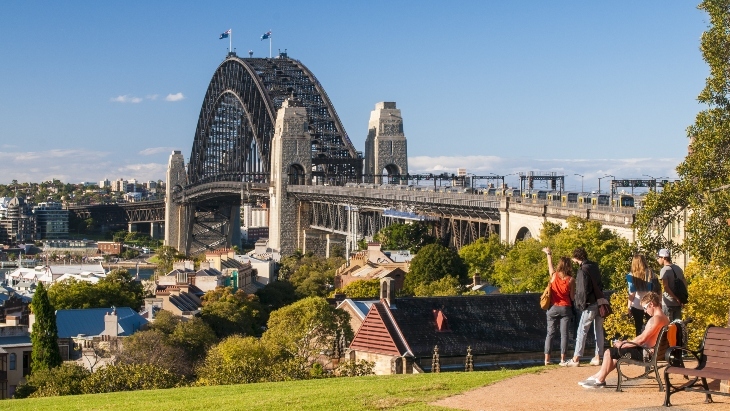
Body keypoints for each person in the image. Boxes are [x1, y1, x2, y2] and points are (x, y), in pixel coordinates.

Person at [579, 292, 669, 388]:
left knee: (609, 352)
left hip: (647, 353)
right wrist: (627, 343)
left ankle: (600, 380)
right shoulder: (665, 318)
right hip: (655, 352)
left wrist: (624, 344)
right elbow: (644, 338)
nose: (645, 311)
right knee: (615, 356)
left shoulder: (655, 319)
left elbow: (642, 339)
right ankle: (598, 376)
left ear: (651, 304)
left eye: (645, 308)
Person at [564, 247, 604, 367]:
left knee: (582, 330)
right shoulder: (594, 267)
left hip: (589, 304)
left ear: (577, 257)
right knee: (599, 330)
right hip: (599, 301)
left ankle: (576, 358)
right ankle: (598, 356)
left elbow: (582, 290)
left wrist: (580, 304)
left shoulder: (582, 270)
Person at [542, 247, 575, 366]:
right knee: (564, 334)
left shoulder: (554, 276)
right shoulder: (571, 280)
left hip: (553, 307)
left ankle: (547, 359)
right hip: (565, 307)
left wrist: (548, 254)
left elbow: (549, 265)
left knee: (550, 333)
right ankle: (562, 359)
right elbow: (572, 297)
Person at [626, 254, 654, 336]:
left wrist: (628, 307)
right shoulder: (650, 272)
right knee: (651, 327)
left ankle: (639, 347)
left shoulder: (631, 275)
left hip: (637, 304)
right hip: (649, 303)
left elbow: (632, 293)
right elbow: (654, 289)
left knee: (638, 327)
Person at [657, 249, 686, 321]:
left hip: (668, 302)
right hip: (678, 303)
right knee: (677, 326)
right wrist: (681, 298)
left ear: (664, 258)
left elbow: (665, 287)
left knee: (668, 327)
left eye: (659, 257)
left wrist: (675, 298)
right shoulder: (678, 268)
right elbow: (684, 283)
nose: (657, 259)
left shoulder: (664, 270)